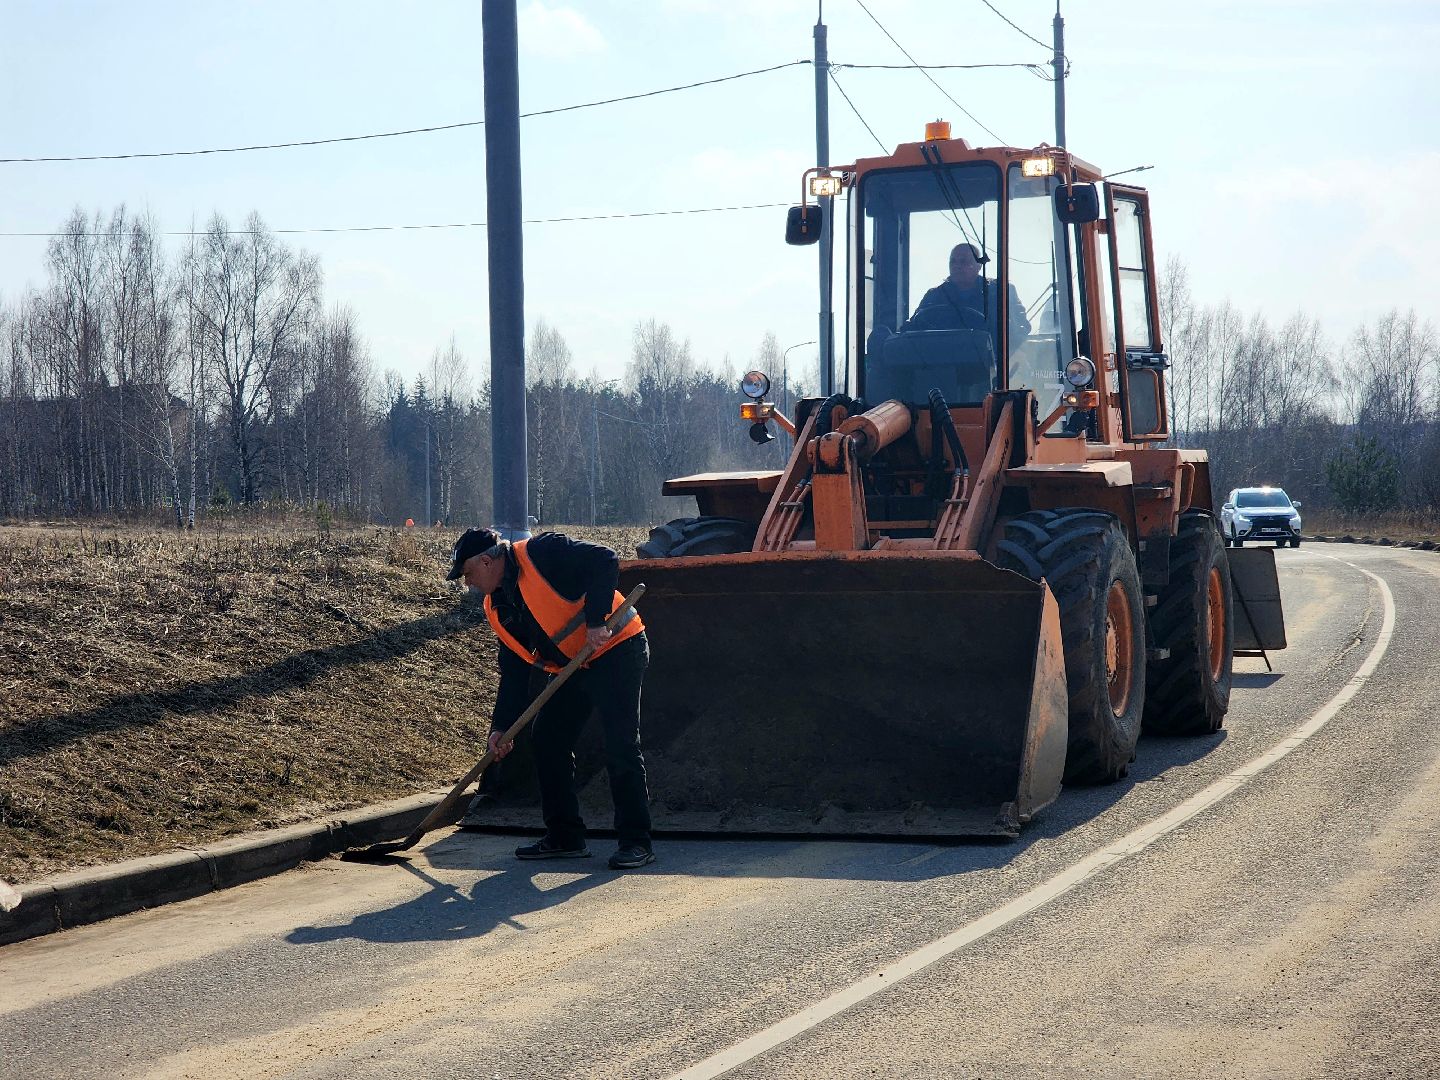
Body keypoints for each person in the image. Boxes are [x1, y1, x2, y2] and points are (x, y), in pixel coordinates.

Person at [447, 526, 655, 870]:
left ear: (486, 561)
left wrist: (596, 621)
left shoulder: (543, 551)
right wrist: (501, 728)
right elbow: (514, 673)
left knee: (620, 743)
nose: (467, 582)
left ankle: (636, 841)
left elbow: (605, 559)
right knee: (547, 739)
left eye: (467, 573)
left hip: (617, 648)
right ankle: (565, 836)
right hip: (574, 666)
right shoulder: (497, 607)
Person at [902, 241, 1031, 356]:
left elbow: (1021, 328)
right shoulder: (934, 296)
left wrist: (999, 356)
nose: (957, 266)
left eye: (963, 261)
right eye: (953, 261)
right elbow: (910, 329)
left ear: (979, 266)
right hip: (940, 364)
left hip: (988, 368)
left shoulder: (1000, 291)